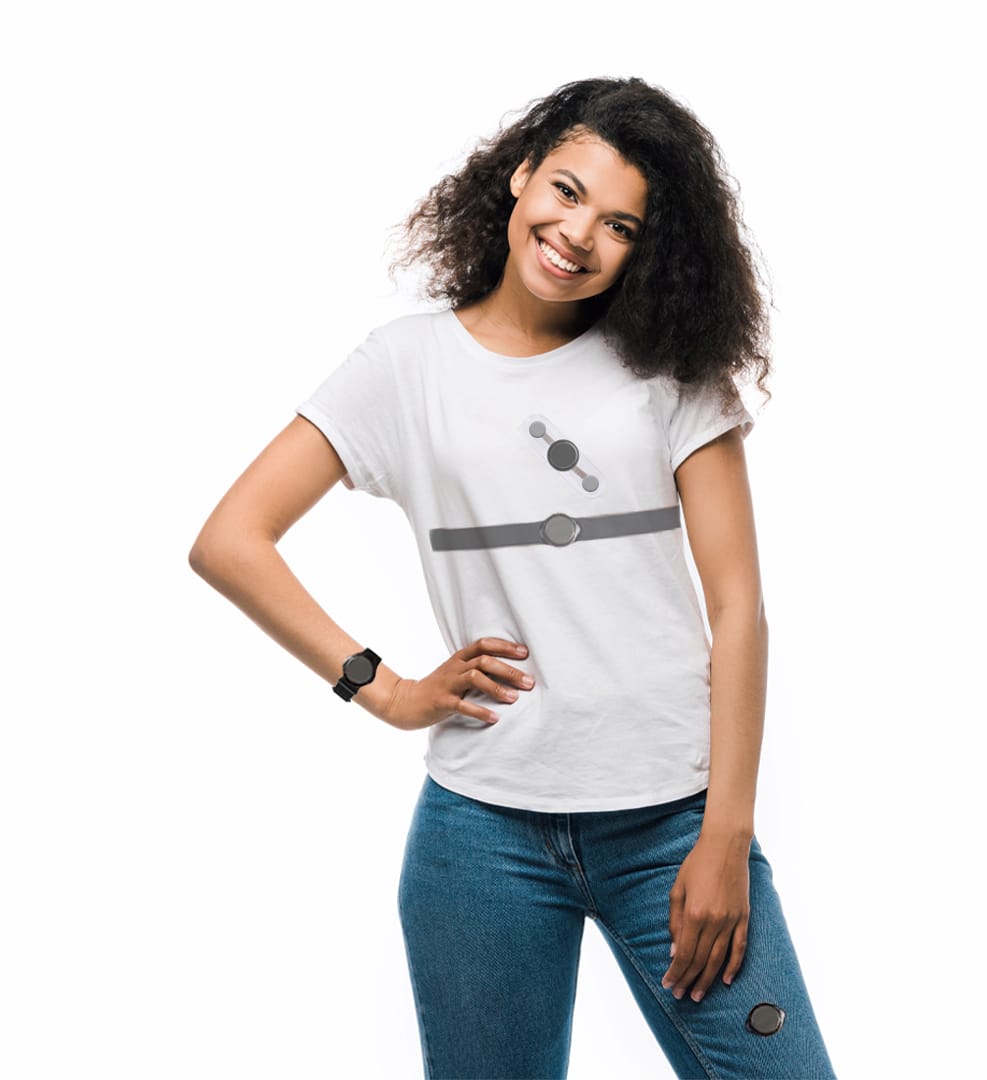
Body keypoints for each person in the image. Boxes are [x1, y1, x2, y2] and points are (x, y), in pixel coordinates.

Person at [187, 76, 837, 1079]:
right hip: (479, 834)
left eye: (620, 223)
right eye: (567, 191)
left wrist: (726, 838)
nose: (578, 234)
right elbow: (232, 538)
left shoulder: (672, 368)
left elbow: (739, 608)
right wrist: (385, 690)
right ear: (521, 174)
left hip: (674, 821)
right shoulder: (403, 369)